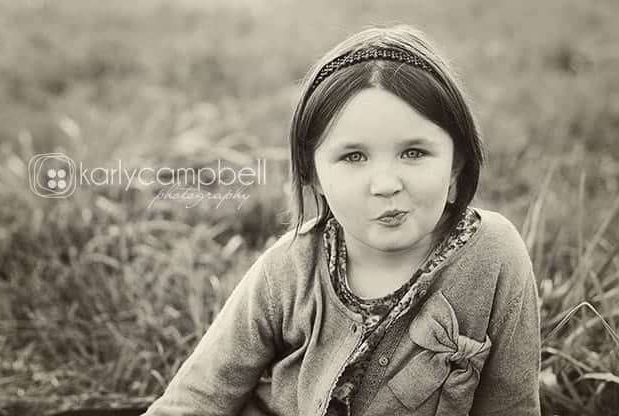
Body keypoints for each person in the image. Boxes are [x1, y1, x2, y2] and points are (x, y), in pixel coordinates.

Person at [142, 24, 541, 416]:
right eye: (353, 157)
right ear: (313, 173)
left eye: (414, 152)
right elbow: (198, 397)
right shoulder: (288, 270)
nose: (386, 184)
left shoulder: (494, 256)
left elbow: (513, 404)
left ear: (456, 162)